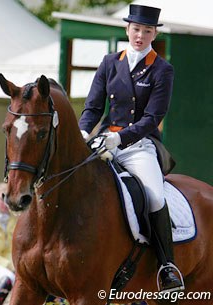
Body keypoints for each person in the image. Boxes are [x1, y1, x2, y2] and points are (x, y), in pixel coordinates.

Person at [79, 4, 183, 293]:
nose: (140, 35)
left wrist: (121, 138)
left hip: (138, 145)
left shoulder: (162, 69)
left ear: (153, 34)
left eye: (147, 31)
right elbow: (94, 106)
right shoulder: (110, 62)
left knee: (153, 194)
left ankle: (166, 265)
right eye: (136, 29)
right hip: (103, 140)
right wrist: (83, 131)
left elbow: (153, 118)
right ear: (127, 29)